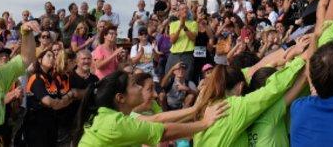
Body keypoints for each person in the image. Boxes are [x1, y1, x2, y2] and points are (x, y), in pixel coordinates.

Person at [190, 37, 314, 146]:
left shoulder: (207, 99)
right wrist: (302, 58)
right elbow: (272, 89)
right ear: (240, 87)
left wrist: (286, 56)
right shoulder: (234, 108)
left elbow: (252, 71)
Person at [75, 69, 225, 147]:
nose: (140, 88)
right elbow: (163, 130)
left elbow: (157, 121)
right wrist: (205, 123)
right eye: (134, 85)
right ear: (120, 98)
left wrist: (195, 109)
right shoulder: (114, 123)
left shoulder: (109, 116)